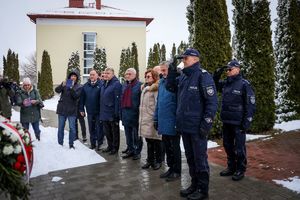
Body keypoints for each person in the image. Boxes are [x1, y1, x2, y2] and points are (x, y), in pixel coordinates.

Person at [167, 48, 218, 200]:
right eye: (183, 57)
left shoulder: (203, 76)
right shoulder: (183, 76)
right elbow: (170, 87)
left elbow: (212, 103)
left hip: (197, 128)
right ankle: (194, 185)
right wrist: (171, 71)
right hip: (185, 126)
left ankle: (203, 190)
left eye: (186, 57)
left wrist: (206, 125)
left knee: (200, 160)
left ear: (195, 59)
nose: (183, 59)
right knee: (190, 158)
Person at [213, 60, 256, 181]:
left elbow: (251, 104)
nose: (227, 71)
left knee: (239, 147)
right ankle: (231, 167)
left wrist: (247, 121)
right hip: (226, 121)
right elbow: (214, 85)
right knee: (227, 145)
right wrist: (216, 74)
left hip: (238, 123)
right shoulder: (226, 83)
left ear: (238, 69)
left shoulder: (244, 84)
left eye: (230, 69)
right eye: (227, 70)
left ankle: (240, 169)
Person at [154, 61, 181, 182]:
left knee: (174, 147)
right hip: (163, 120)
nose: (163, 73)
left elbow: (179, 103)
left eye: (165, 70)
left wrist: (177, 120)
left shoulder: (176, 82)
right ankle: (171, 168)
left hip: (173, 121)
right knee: (167, 146)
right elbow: (158, 102)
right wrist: (156, 119)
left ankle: (177, 170)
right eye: (162, 70)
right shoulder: (161, 83)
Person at [139, 69, 162, 170]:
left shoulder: (156, 88)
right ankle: (150, 160)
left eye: (149, 76)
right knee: (149, 141)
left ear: (154, 77)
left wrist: (155, 117)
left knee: (156, 141)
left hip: (152, 118)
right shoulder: (145, 87)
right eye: (146, 76)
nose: (146, 78)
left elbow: (158, 104)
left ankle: (158, 161)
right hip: (145, 119)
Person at [120, 68, 143, 160]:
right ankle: (130, 149)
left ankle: (137, 152)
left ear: (135, 75)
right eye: (126, 74)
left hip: (135, 114)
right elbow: (121, 100)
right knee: (128, 134)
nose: (127, 75)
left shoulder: (139, 85)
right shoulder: (124, 85)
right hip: (125, 114)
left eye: (129, 74)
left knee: (136, 135)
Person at [55, 69, 81, 149]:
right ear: (69, 77)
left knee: (72, 129)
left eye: (74, 76)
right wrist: (61, 85)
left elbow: (76, 96)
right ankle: (60, 143)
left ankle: (71, 144)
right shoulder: (65, 84)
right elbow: (57, 90)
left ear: (77, 78)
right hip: (62, 109)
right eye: (71, 76)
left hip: (72, 111)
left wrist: (71, 88)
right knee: (61, 128)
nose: (73, 77)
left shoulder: (79, 87)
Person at [100, 67, 122, 155]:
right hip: (105, 112)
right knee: (107, 132)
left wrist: (116, 114)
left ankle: (115, 148)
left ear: (113, 74)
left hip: (112, 113)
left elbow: (118, 100)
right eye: (105, 73)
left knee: (114, 132)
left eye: (108, 73)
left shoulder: (116, 84)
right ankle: (109, 146)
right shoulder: (105, 83)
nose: (105, 75)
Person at [79, 69, 103, 150]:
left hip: (99, 112)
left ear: (97, 75)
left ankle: (100, 144)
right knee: (91, 128)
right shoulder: (85, 86)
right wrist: (81, 109)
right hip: (90, 111)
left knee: (99, 128)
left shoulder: (102, 84)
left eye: (93, 74)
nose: (92, 76)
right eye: (90, 75)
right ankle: (93, 144)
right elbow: (82, 99)